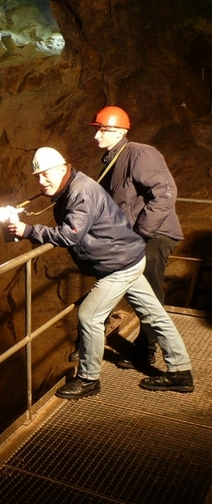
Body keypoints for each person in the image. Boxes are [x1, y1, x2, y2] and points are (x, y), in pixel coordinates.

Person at [7, 147, 193, 399]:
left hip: (118, 264)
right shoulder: (73, 185)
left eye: (46, 174)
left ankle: (88, 379)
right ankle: (181, 371)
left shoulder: (81, 192)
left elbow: (70, 234)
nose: (41, 181)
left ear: (63, 168)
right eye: (37, 176)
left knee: (89, 315)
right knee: (154, 314)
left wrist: (28, 231)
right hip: (127, 256)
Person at [90, 106, 183, 368]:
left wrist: (141, 233)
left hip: (154, 235)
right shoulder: (114, 160)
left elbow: (165, 193)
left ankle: (147, 352)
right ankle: (92, 341)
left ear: (119, 131)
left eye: (102, 130)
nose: (96, 136)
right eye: (97, 130)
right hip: (135, 238)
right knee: (126, 289)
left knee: (149, 294)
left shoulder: (139, 153)